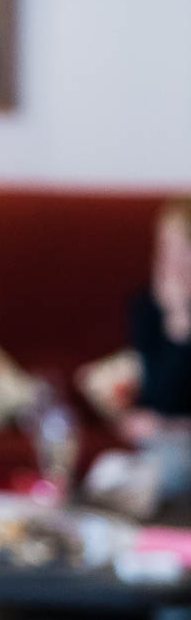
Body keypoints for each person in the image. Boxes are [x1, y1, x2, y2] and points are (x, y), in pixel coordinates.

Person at [121, 199, 191, 497]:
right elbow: (158, 394)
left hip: (174, 437)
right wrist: (175, 320)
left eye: (185, 250)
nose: (174, 262)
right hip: (164, 441)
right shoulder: (148, 306)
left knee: (169, 467)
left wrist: (180, 323)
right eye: (166, 249)